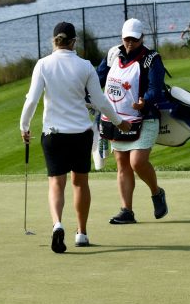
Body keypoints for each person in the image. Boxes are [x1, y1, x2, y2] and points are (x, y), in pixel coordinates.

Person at [20, 22, 130, 253]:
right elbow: (100, 102)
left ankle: (57, 224)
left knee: (56, 183)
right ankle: (81, 233)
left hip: (53, 135)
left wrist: (24, 126)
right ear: (73, 42)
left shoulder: (43, 64)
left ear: (54, 41)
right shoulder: (85, 66)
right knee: (80, 183)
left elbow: (32, 100)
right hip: (80, 134)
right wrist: (119, 122)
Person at [97, 18, 169, 224]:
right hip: (117, 120)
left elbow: (157, 88)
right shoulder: (113, 54)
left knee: (137, 162)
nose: (130, 43)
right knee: (122, 164)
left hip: (145, 118)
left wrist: (144, 101)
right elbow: (97, 78)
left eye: (134, 40)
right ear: (122, 37)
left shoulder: (151, 59)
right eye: (127, 39)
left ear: (141, 38)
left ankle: (156, 192)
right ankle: (126, 210)